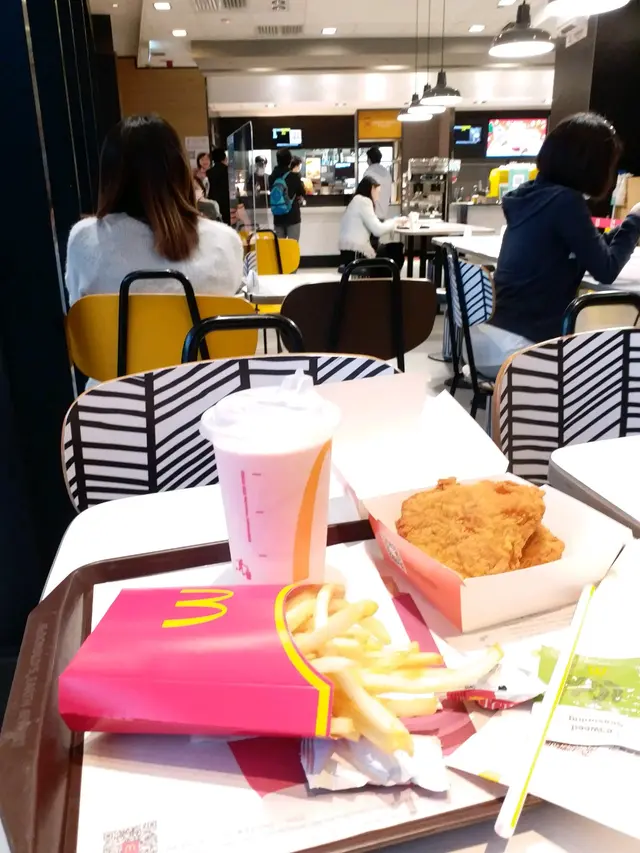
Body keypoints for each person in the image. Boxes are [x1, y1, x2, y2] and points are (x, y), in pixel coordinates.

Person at [471, 112, 640, 378]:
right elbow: (606, 269)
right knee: (612, 370)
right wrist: (634, 220)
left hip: (485, 341)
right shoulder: (565, 202)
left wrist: (621, 231)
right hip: (521, 348)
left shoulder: (531, 196)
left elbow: (590, 250)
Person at [65, 115, 243, 305]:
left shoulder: (84, 240)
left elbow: (78, 312)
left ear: (108, 177)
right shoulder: (225, 241)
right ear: (181, 171)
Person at [338, 176, 401, 267]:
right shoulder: (364, 201)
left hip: (348, 253)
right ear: (372, 189)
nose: (378, 197)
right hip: (357, 253)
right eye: (378, 192)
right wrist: (395, 222)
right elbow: (377, 230)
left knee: (393, 249)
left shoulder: (357, 200)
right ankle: (385, 276)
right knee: (396, 250)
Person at [269, 148, 305, 242]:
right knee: (292, 246)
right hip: (292, 217)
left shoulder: (271, 177)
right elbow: (302, 192)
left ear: (277, 160)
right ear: (289, 161)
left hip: (278, 217)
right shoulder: (294, 176)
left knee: (279, 247)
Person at [363, 146, 392, 219]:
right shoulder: (386, 172)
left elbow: (365, 194)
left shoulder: (368, 173)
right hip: (384, 213)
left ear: (369, 160)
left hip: (372, 215)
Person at [207, 147, 231, 225]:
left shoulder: (209, 172)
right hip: (226, 203)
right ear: (224, 158)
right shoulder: (229, 171)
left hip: (213, 203)